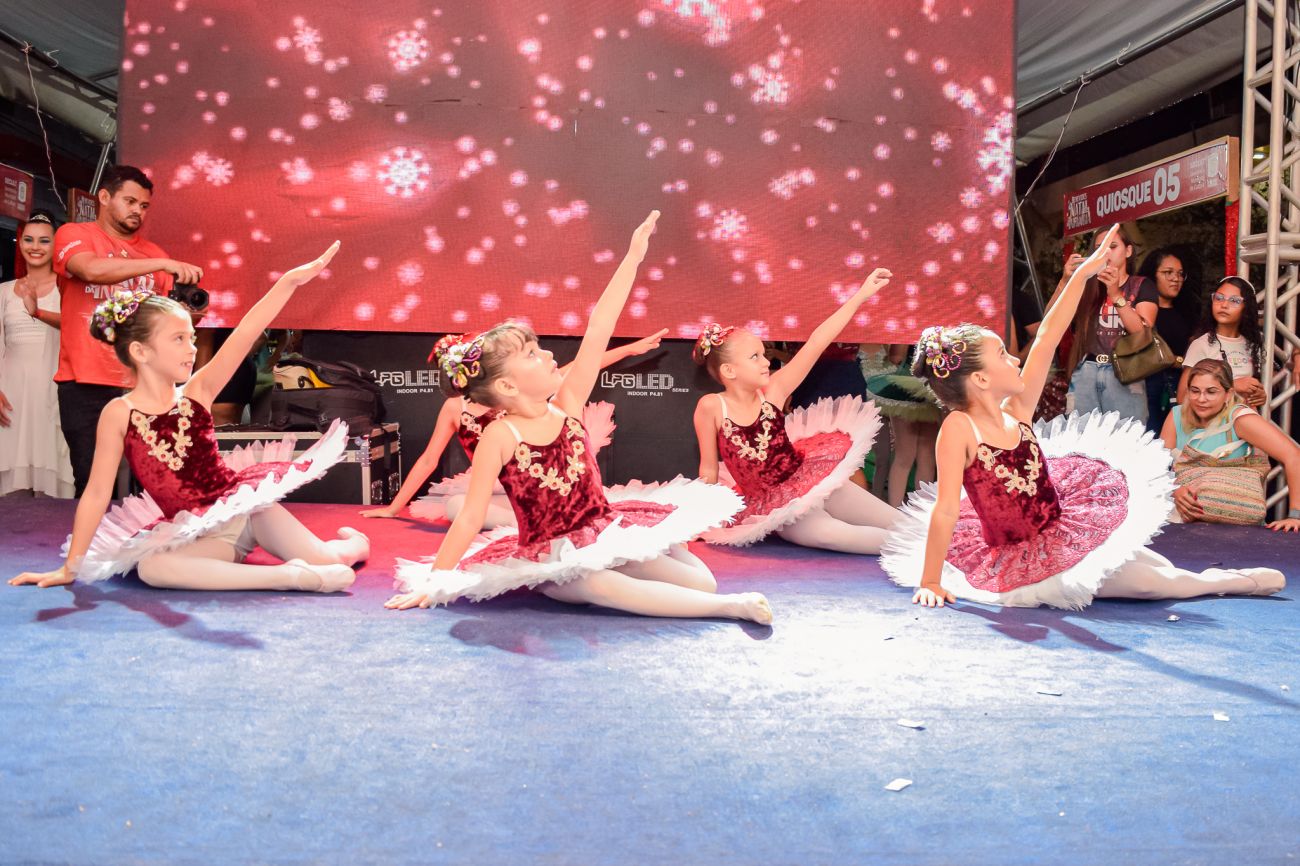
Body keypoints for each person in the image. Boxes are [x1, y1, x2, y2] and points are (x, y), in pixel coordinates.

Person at [387, 212, 771, 624]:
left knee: (702, 582)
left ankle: (682, 571)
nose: (548, 354)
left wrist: (633, 258)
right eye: (531, 354)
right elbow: (469, 516)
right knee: (595, 585)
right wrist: (436, 581)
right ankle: (731, 607)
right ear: (508, 386)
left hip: (604, 531)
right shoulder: (500, 435)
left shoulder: (567, 404)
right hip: (555, 557)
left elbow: (600, 324)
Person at [882, 225, 1284, 609]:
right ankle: (1225, 581)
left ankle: (1195, 577)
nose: (1015, 359)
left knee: (1145, 561)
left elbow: (1048, 335)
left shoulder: (1016, 411)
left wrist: (1085, 272)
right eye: (1003, 356)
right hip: (1021, 555)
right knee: (1147, 584)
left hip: (1060, 528)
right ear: (981, 379)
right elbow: (946, 509)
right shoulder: (960, 427)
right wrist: (930, 580)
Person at [9, 241, 369, 592]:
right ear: (140, 351)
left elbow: (246, 332)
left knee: (331, 559)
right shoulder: (118, 413)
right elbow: (97, 493)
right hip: (199, 536)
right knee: (153, 567)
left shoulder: (198, 391)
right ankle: (291, 577)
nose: (192, 348)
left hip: (245, 512)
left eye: (192, 338)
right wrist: (70, 567)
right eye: (179, 339)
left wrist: (288, 282)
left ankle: (355, 546)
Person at [361, 330, 668, 527]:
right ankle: (539, 524)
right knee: (457, 506)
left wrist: (628, 350)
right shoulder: (455, 408)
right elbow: (429, 459)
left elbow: (578, 368)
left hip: (535, 482)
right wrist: (394, 508)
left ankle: (564, 517)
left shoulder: (515, 391)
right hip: (500, 489)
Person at [691, 268, 898, 552]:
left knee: (899, 523)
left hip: (811, 479)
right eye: (755, 357)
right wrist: (701, 519)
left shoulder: (774, 390)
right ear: (729, 370)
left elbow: (817, 342)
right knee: (831, 535)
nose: (766, 362)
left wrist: (860, 296)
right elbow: (708, 468)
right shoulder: (712, 406)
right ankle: (924, 550)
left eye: (764, 354)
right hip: (777, 507)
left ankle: (939, 544)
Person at [52, 165, 206, 495]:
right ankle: (92, 532)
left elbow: (161, 323)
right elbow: (90, 270)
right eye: (130, 201)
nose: (138, 211)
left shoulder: (155, 254)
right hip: (86, 381)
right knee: (95, 481)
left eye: (144, 205)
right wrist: (161, 265)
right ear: (104, 197)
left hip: (144, 382)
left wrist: (189, 317)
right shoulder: (74, 234)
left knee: (152, 484)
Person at [1162, 359, 1300, 530]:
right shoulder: (1176, 416)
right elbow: (1158, 470)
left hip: (1237, 531)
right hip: (1181, 527)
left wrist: (1295, 516)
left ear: (1228, 394)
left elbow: (1293, 455)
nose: (1201, 399)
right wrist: (1174, 489)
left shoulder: (1240, 419)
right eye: (1195, 391)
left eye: (1211, 392)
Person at [0, 211, 74, 497]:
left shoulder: (68, 288)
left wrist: (38, 311)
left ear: (56, 245)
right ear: (20, 243)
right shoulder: (4, 292)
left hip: (53, 394)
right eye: (29, 240)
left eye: (44, 240)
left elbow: (77, 328)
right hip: (11, 396)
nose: (35, 247)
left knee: (50, 491)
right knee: (11, 494)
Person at [1064, 226, 1158, 423]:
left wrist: (1115, 294)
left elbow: (1142, 332)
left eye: (1112, 246)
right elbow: (1049, 319)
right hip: (1088, 368)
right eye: (1099, 248)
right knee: (1080, 436)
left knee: (1126, 437)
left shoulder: (1141, 285)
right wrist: (1065, 281)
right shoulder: (1086, 284)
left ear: (1128, 251)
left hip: (1126, 370)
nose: (1106, 253)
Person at [863, 344, 941, 507]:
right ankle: (921, 512)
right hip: (934, 385)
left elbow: (896, 357)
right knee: (926, 457)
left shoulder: (908, 329)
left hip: (907, 385)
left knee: (904, 457)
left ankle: (894, 511)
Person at [1136, 246, 1201, 432]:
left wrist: (1178, 361)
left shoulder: (1188, 311)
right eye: (1168, 272)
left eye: (1180, 274)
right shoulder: (1139, 310)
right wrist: (1176, 360)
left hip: (1179, 385)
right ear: (1152, 275)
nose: (1176, 278)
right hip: (1145, 385)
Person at [1177, 276, 1267, 410]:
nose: (1224, 305)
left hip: (1244, 417)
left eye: (1234, 300)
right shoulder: (1201, 344)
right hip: (1213, 420)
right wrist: (1233, 385)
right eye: (1219, 298)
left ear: (1246, 307)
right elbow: (1182, 397)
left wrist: (1259, 396)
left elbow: (1248, 392)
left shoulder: (1251, 345)